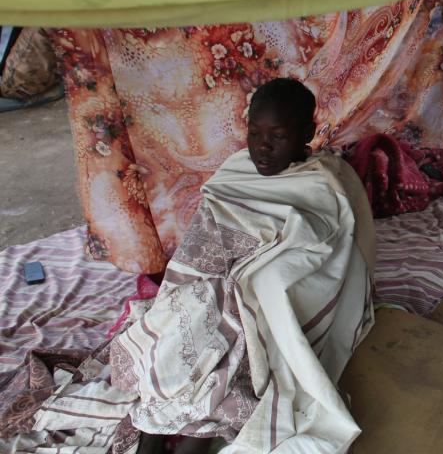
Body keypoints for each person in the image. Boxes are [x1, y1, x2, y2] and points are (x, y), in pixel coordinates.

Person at [29, 78, 376, 454]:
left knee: (232, 343)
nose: (262, 146)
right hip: (206, 287)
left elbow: (324, 258)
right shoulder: (237, 170)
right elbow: (198, 248)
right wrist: (207, 289)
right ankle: (153, 434)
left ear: (306, 133)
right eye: (255, 132)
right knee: (184, 325)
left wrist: (242, 286)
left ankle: (191, 439)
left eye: (277, 136)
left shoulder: (323, 183)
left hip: (259, 303)